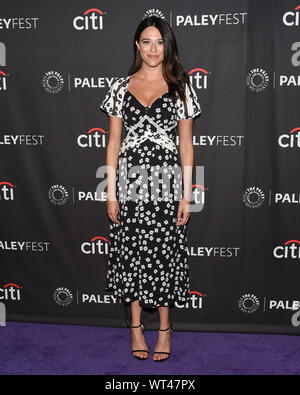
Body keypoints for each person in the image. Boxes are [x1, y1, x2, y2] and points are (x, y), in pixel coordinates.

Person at [100, 14, 201, 362]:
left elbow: (186, 146)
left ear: (167, 45)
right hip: (128, 185)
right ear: (137, 45)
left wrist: (187, 194)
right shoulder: (119, 87)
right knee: (130, 256)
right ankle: (135, 328)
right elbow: (113, 143)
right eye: (146, 41)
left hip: (165, 184)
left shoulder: (182, 87)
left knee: (163, 255)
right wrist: (110, 191)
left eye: (159, 42)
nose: (153, 49)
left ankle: (164, 329)